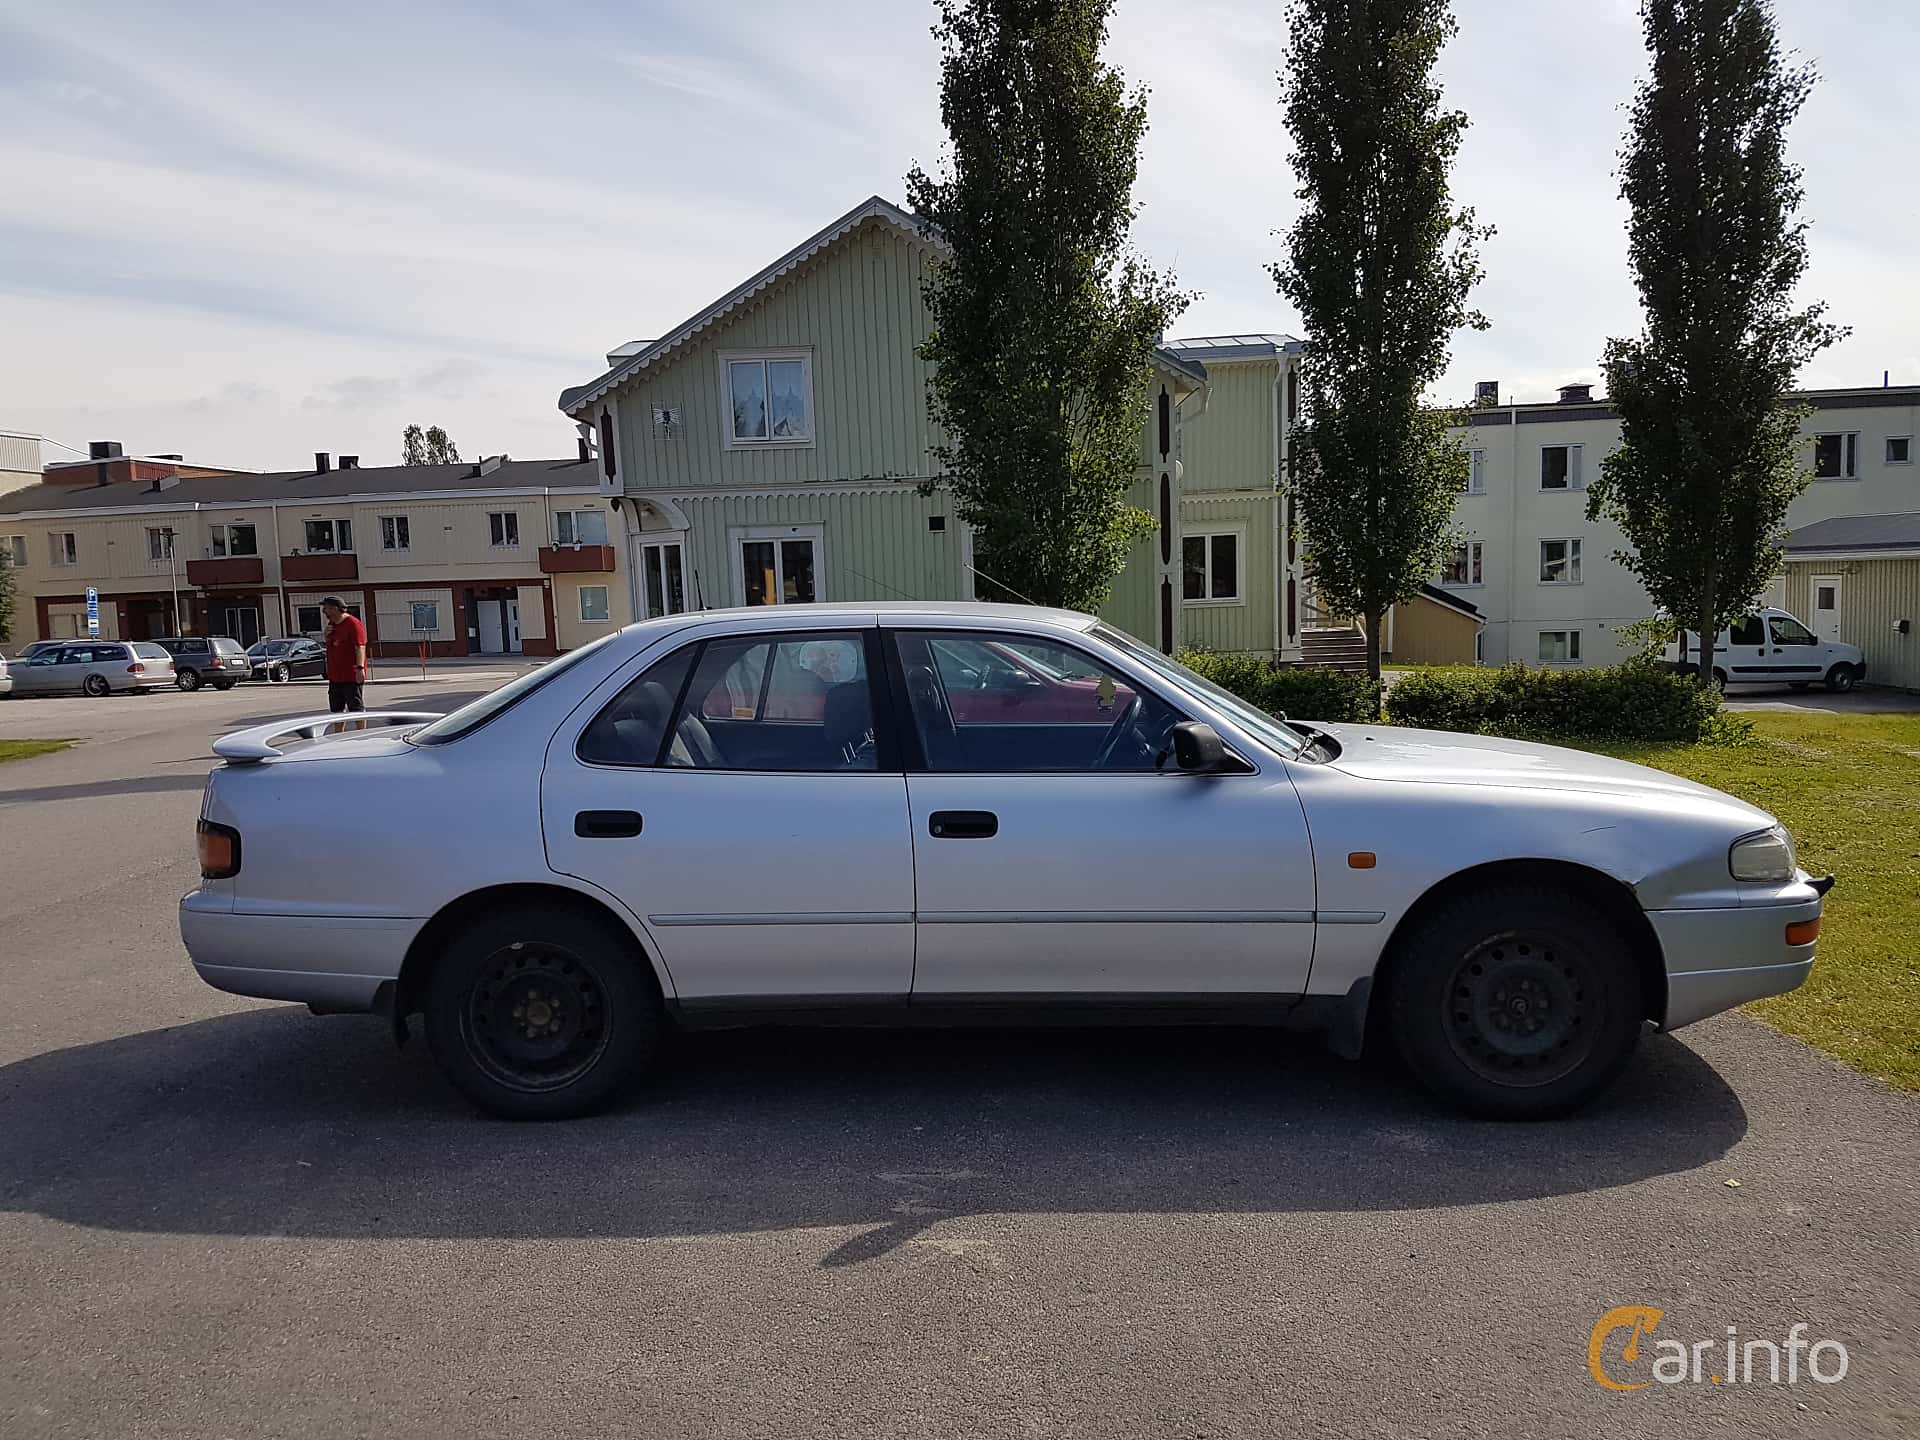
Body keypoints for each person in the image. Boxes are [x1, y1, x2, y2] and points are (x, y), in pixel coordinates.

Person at [320, 596, 368, 713]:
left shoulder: (353, 624)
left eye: (325, 609)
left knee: (355, 708)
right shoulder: (332, 624)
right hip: (335, 676)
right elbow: (331, 646)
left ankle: (361, 731)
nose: (324, 612)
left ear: (335, 609)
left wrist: (360, 668)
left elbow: (360, 646)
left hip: (350, 676)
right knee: (336, 710)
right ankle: (339, 732)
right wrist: (325, 636)